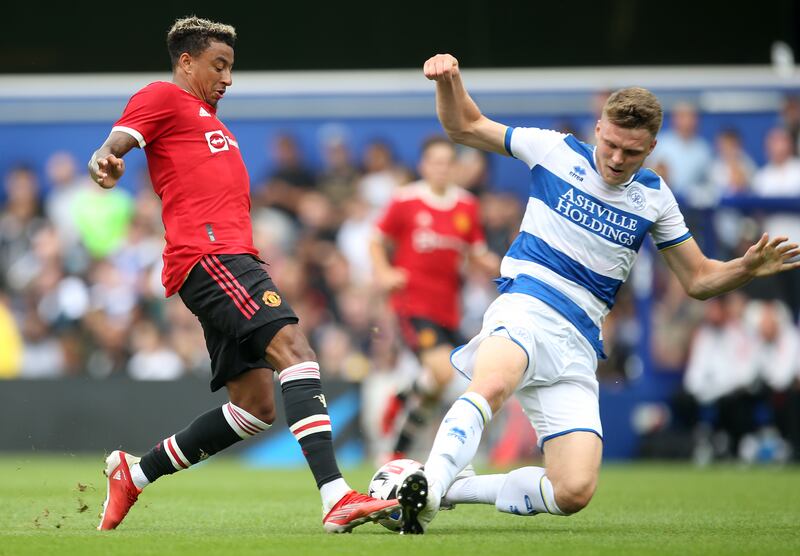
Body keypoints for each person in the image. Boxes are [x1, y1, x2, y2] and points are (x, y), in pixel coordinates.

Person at [394, 53, 800, 534]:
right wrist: (450, 81)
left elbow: (698, 280)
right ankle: (429, 491)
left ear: (650, 148)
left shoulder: (654, 197)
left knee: (573, 491)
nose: (614, 158)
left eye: (630, 152)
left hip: (579, 344)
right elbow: (464, 126)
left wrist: (745, 268)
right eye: (609, 144)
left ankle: (445, 485)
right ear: (598, 127)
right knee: (492, 384)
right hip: (526, 305)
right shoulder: (554, 150)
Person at [87, 16, 398, 533]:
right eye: (219, 65)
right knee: (295, 351)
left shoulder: (207, 119)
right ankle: (336, 496)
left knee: (254, 407)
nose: (228, 78)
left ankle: (134, 474)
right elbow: (117, 141)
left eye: (231, 67)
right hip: (212, 258)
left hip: (229, 258)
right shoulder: (163, 96)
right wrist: (107, 160)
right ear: (186, 62)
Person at [370, 136, 499, 461]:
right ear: (424, 165)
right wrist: (384, 273)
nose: (441, 169)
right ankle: (398, 437)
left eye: (447, 162)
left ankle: (398, 441)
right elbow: (375, 240)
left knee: (435, 385)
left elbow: (477, 252)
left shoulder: (466, 205)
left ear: (454, 167)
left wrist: (503, 266)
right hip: (413, 303)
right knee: (441, 373)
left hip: (449, 308)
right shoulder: (406, 200)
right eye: (435, 162)